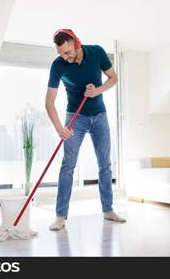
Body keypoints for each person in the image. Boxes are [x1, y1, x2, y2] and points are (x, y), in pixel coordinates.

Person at [45, 29, 126, 230]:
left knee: (105, 165)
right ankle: (60, 216)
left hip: (100, 116)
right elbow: (49, 101)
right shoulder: (58, 65)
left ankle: (108, 210)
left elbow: (113, 78)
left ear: (76, 43)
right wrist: (59, 128)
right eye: (61, 53)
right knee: (68, 166)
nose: (65, 57)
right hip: (75, 119)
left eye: (67, 52)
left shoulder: (97, 52)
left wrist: (97, 91)